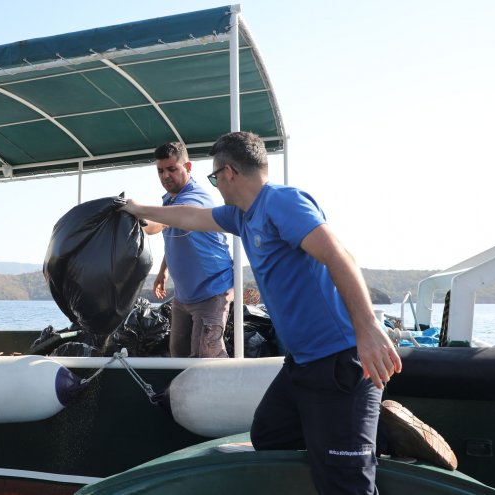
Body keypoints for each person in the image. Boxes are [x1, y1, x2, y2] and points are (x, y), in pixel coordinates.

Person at [120, 132, 403, 494]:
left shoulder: (282, 203)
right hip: (301, 365)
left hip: (340, 360)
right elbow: (190, 215)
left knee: (346, 483)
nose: (215, 185)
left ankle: (360, 435)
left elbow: (337, 255)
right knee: (269, 434)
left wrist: (368, 330)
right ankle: (371, 431)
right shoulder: (243, 216)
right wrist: (138, 209)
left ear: (229, 173)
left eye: (214, 177)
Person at [142, 142, 234, 358]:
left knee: (205, 359)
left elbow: (160, 224)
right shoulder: (169, 200)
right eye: (160, 171)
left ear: (188, 167)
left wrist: (136, 220)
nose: (165, 175)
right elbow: (175, 237)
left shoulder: (195, 198)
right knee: (178, 356)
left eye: (172, 169)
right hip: (183, 296)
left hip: (211, 292)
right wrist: (163, 272)